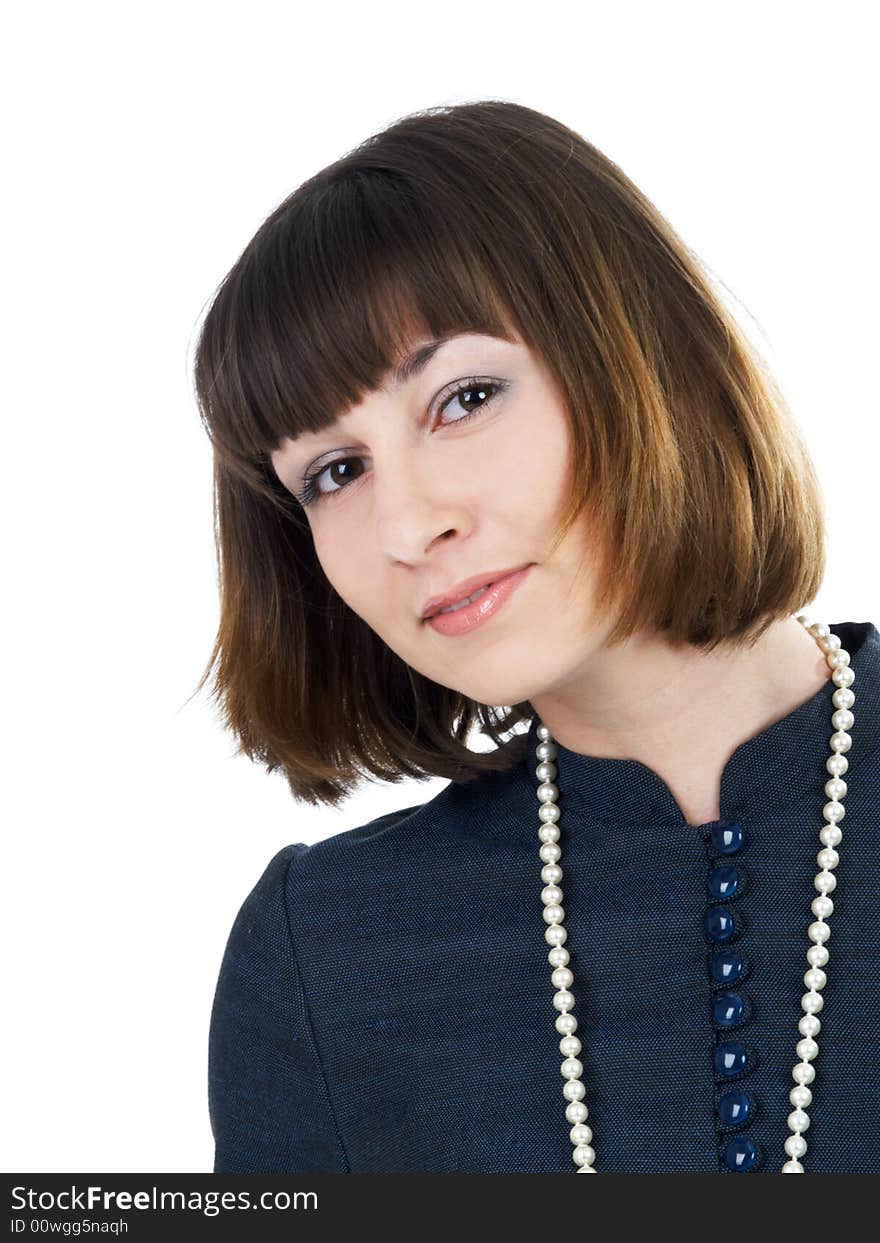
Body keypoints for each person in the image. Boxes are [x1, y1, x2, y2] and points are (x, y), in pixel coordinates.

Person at [194, 100, 880, 1174]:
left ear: (649, 355)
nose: (409, 525)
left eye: (463, 398)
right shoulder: (324, 955)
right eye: (333, 471)